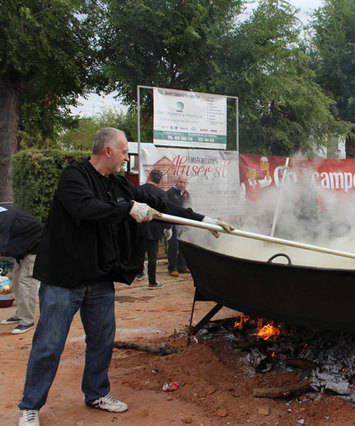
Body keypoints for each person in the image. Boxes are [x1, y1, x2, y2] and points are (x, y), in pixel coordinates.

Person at [17, 128, 233, 426]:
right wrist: (128, 208)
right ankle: (30, 406)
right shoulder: (74, 177)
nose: (124, 158)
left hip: (99, 278)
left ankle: (96, 393)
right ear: (108, 151)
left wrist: (203, 221)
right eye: (122, 153)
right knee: (49, 345)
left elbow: (159, 203)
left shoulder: (118, 184)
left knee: (102, 340)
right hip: (62, 280)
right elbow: (86, 208)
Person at [0, 206, 43, 334]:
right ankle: (20, 314)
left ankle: (27, 321)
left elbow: (1, 247)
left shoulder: (3, 218)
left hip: (36, 248)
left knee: (26, 283)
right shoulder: (3, 212)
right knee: (18, 281)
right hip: (22, 250)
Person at [137, 169, 171, 289]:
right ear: (160, 180)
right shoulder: (161, 193)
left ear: (149, 177)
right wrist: (168, 228)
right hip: (155, 228)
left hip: (139, 225)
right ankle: (152, 282)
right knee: (152, 256)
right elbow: (164, 212)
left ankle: (139, 273)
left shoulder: (139, 190)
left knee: (140, 252)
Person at [166, 174, 191, 277]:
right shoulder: (170, 193)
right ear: (176, 182)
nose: (182, 184)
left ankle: (182, 266)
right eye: (181, 182)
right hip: (172, 224)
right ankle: (172, 268)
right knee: (173, 246)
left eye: (184, 182)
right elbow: (167, 208)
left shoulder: (186, 194)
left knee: (183, 245)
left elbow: (189, 207)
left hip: (183, 224)